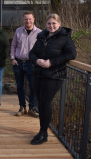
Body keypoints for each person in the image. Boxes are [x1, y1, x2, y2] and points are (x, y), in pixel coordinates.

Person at [29, 13, 76, 145]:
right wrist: (37, 60)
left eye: (54, 23)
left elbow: (72, 54)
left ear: (59, 24)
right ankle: (42, 131)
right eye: (49, 23)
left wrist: (51, 62)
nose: (51, 26)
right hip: (39, 73)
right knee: (40, 102)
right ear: (46, 24)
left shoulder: (65, 38)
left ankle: (43, 133)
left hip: (54, 75)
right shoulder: (41, 36)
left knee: (45, 103)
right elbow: (31, 53)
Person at [10, 11, 41, 117]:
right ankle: (22, 107)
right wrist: (12, 58)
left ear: (34, 19)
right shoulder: (18, 31)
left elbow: (42, 49)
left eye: (30, 19)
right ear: (23, 20)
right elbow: (13, 45)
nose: (28, 21)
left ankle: (32, 108)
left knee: (33, 87)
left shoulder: (40, 33)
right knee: (20, 86)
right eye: (26, 19)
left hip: (32, 64)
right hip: (18, 63)